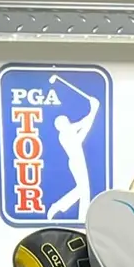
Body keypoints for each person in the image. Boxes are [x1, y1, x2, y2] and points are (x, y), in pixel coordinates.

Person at [47, 93, 100, 221]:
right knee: (83, 190)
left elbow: (83, 123)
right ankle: (58, 206)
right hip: (76, 162)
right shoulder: (65, 136)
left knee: (83, 191)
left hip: (78, 160)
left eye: (68, 121)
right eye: (65, 122)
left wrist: (93, 109)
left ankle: (82, 218)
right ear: (61, 126)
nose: (69, 122)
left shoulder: (68, 131)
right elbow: (85, 128)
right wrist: (94, 109)